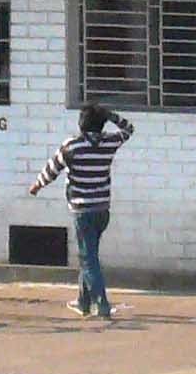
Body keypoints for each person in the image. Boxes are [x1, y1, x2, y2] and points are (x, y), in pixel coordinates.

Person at [28, 105, 133, 320]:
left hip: (82, 209)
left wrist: (37, 186)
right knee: (90, 255)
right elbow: (129, 129)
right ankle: (83, 302)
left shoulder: (72, 146)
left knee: (88, 259)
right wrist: (111, 115)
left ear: (81, 124)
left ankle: (101, 303)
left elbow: (52, 170)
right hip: (103, 209)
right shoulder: (109, 143)